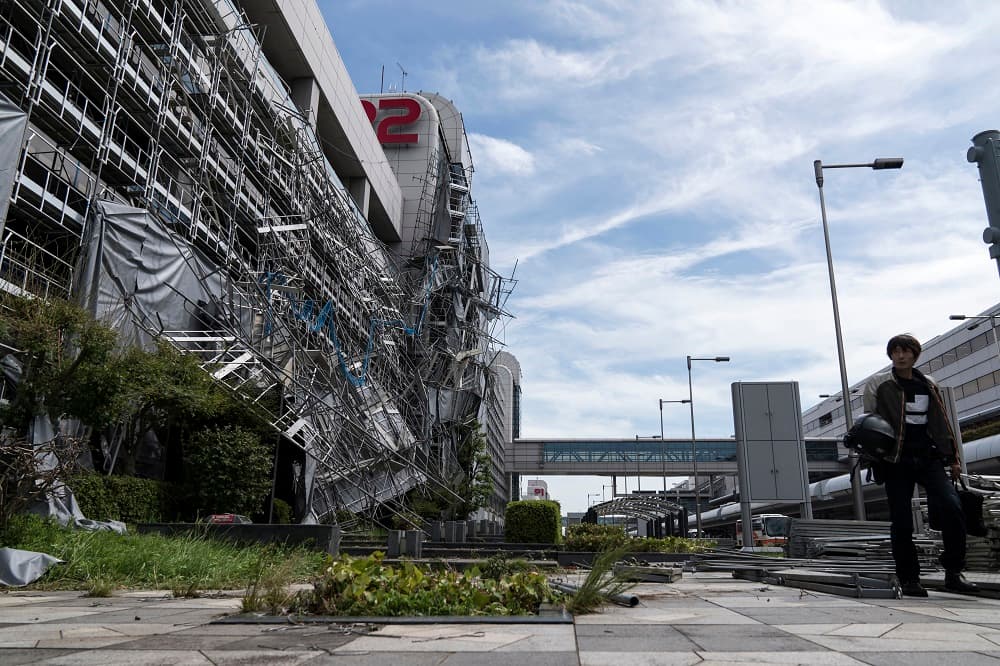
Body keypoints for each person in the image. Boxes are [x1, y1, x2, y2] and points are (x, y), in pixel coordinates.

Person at [863, 333, 978, 597]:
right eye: (896, 351)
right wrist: (875, 455)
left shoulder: (928, 383)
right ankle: (909, 579)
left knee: (953, 507)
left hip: (929, 457)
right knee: (901, 521)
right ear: (890, 355)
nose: (901, 356)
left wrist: (953, 458)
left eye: (906, 351)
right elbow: (870, 421)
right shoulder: (879, 384)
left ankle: (953, 572)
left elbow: (940, 422)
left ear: (915, 354)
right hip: (895, 460)